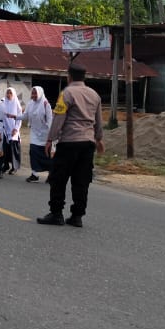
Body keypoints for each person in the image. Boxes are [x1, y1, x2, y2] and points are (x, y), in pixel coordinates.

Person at [37, 65, 104, 227]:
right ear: (84, 77)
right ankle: (77, 216)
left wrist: (50, 139)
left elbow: (59, 117)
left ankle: (56, 213)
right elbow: (99, 119)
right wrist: (99, 139)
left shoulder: (66, 93)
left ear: (69, 77)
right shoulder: (94, 95)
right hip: (88, 143)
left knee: (59, 179)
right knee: (82, 180)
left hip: (69, 142)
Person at [24, 86, 53, 182]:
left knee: (46, 155)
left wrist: (51, 136)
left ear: (40, 93)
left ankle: (51, 174)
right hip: (34, 133)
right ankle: (34, 174)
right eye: (32, 93)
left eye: (35, 93)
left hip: (45, 135)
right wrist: (14, 116)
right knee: (33, 151)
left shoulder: (46, 104)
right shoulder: (30, 104)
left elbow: (50, 121)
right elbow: (25, 115)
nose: (33, 95)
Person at [0, 87, 24, 175]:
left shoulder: (17, 105)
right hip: (5, 130)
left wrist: (16, 129)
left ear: (13, 94)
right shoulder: (4, 103)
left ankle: (15, 167)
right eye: (7, 93)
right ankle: (5, 165)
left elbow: (19, 118)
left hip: (13, 130)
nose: (8, 95)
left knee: (14, 150)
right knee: (5, 149)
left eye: (10, 93)